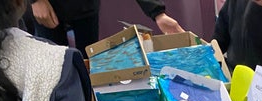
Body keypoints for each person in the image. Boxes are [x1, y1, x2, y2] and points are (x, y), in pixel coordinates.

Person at [28, 1, 184, 58]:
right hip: (45, 9)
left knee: (89, 64)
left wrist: (158, 13)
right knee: (53, 70)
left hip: (85, 8)